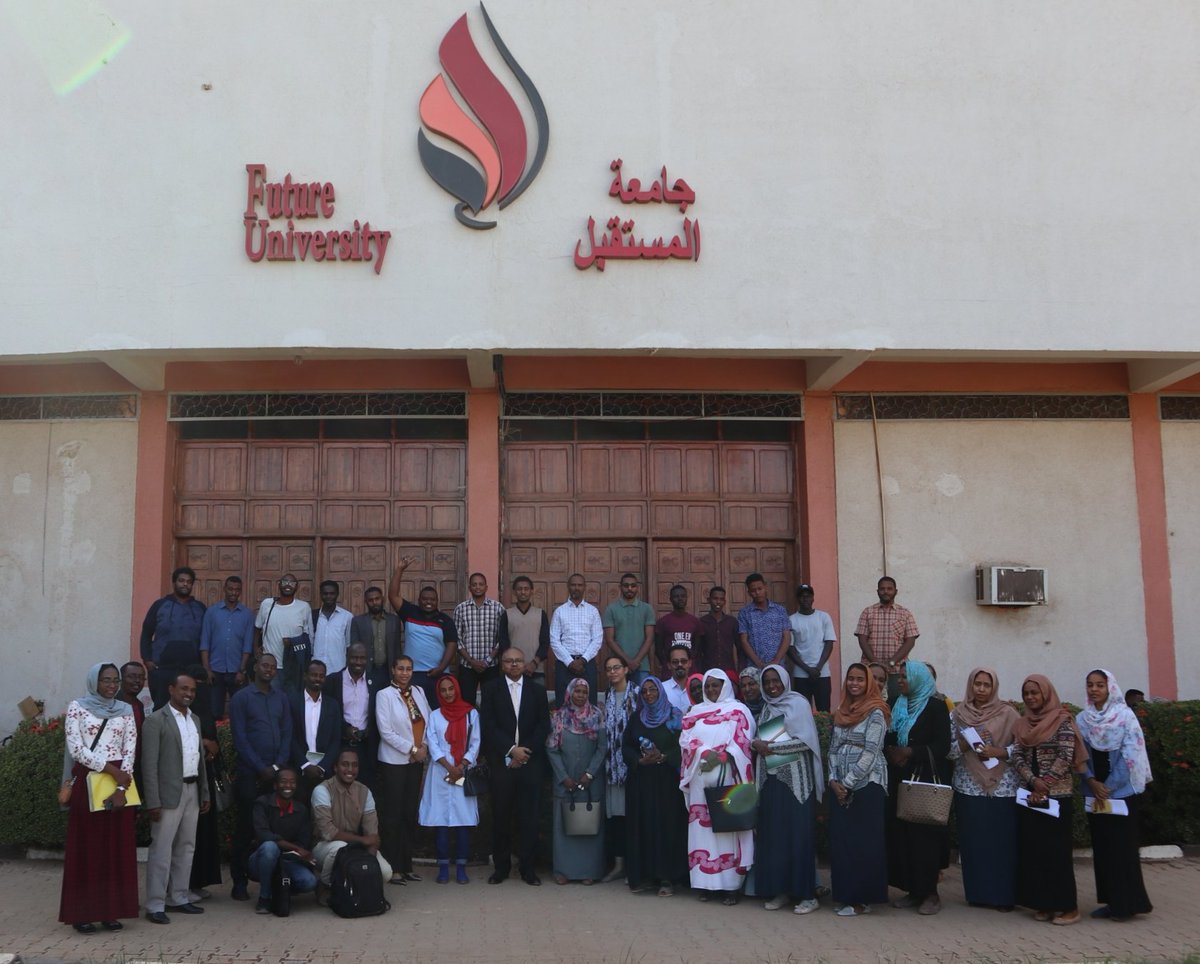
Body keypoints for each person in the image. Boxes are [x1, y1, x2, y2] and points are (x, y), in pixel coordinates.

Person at [58, 663, 139, 933]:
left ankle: (110, 911)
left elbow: (130, 749)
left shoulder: (125, 710)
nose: (112, 685)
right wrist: (112, 771)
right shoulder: (77, 707)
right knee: (88, 849)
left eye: (115, 680)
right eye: (106, 680)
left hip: (118, 788)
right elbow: (77, 749)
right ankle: (83, 913)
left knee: (115, 851)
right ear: (95, 681)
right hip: (90, 781)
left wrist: (120, 788)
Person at [1010, 674, 1087, 926]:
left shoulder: (1062, 720)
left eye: (1035, 693)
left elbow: (1066, 755)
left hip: (1057, 796)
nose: (1031, 698)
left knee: (1057, 853)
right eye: (1026, 694)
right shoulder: (1022, 724)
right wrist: (1033, 780)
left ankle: (1068, 907)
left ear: (1046, 693)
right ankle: (1043, 903)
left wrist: (1046, 782)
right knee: (1034, 851)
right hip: (1029, 793)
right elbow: (1017, 756)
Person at [1077, 669, 1153, 921]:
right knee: (1103, 848)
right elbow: (1080, 755)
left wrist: (1107, 787)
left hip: (1121, 792)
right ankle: (1111, 901)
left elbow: (1131, 756)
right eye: (1090, 685)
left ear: (1110, 687)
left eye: (1100, 684)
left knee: (1123, 848)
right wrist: (1091, 781)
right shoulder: (1083, 719)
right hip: (1095, 792)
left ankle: (1128, 904)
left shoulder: (1124, 717)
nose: (1094, 689)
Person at [679, 668, 756, 905]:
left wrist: (725, 755)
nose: (712, 690)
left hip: (728, 780)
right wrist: (704, 752)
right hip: (701, 782)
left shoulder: (738, 710)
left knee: (728, 832)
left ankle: (731, 887)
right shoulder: (696, 712)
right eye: (708, 686)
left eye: (716, 685)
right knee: (703, 834)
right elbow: (685, 740)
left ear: (725, 686)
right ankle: (706, 885)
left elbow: (744, 741)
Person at [750, 664, 823, 915]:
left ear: (785, 681)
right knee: (775, 839)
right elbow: (756, 739)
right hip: (771, 782)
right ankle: (780, 890)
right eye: (767, 682)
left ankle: (806, 895)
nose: (772, 686)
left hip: (796, 785)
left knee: (798, 839)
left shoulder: (798, 704)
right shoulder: (768, 707)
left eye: (776, 681)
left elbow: (805, 742)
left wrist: (769, 748)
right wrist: (756, 743)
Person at [949, 667, 1021, 911]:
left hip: (1002, 787)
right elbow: (948, 751)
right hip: (968, 786)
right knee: (974, 843)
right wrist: (965, 743)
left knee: (1001, 843)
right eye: (977, 684)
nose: (981, 689)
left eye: (986, 685)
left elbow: (1021, 748)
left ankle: (1003, 897)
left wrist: (997, 752)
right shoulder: (958, 714)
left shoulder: (1009, 713)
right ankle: (978, 894)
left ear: (994, 687)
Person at [141, 672, 210, 924]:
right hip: (168, 793)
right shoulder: (156, 721)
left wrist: (204, 792)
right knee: (161, 849)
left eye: (192, 690)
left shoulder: (196, 720)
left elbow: (200, 759)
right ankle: (155, 903)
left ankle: (179, 896)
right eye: (183, 689)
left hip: (192, 790)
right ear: (171, 689)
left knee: (186, 847)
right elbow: (149, 766)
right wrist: (153, 801)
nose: (188, 694)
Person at [883, 660, 951, 916]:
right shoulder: (894, 704)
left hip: (924, 780)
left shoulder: (936, 707)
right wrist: (893, 751)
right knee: (903, 837)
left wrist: (910, 752)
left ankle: (930, 893)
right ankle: (912, 891)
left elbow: (942, 746)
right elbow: (887, 736)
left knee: (925, 840)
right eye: (899, 676)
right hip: (900, 779)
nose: (900, 681)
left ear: (919, 679)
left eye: (905, 677)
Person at [480, 648, 552, 885]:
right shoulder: (490, 689)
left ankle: (528, 869)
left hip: (530, 762)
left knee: (529, 818)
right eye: (509, 661)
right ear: (502, 665)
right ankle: (501, 867)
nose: (514, 664)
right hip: (502, 763)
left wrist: (524, 753)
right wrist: (511, 750)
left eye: (518, 661)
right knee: (501, 816)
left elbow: (543, 726)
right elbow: (488, 726)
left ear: (524, 664)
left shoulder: (538, 691)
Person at [827, 662, 890, 917]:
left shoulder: (876, 712)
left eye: (860, 680)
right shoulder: (842, 711)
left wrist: (848, 783)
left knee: (864, 843)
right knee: (843, 843)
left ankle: (863, 900)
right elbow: (832, 748)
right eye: (850, 679)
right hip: (840, 785)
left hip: (867, 785)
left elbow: (871, 751)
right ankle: (845, 895)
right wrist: (833, 780)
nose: (854, 683)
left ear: (869, 684)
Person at [228, 652, 292, 901]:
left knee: (274, 830)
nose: (269, 670)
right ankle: (239, 882)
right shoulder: (241, 698)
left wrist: (277, 767)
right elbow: (240, 738)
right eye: (265, 665)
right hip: (249, 775)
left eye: (273, 667)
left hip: (275, 777)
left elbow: (287, 732)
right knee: (245, 828)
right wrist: (259, 767)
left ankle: (274, 881)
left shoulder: (281, 698)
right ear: (255, 668)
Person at [622, 677, 687, 896]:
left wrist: (664, 756)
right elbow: (626, 746)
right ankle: (645, 875)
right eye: (645, 691)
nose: (649, 695)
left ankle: (667, 878)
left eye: (653, 690)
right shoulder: (636, 718)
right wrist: (639, 761)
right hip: (641, 782)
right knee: (643, 827)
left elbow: (684, 745)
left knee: (666, 827)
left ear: (661, 692)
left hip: (667, 783)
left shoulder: (674, 716)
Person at [375, 655, 432, 885]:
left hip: (415, 763)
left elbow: (428, 722)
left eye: (409, 669)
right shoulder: (384, 695)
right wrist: (411, 748)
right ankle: (393, 867)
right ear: (392, 670)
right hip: (394, 762)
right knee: (392, 815)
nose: (405, 673)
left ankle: (407, 865)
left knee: (409, 813)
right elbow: (386, 731)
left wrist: (425, 745)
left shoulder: (418, 692)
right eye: (401, 669)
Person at [419, 674, 480, 884]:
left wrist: (461, 765)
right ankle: (443, 867)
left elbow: (475, 743)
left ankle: (461, 867)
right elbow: (432, 744)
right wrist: (449, 767)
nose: (448, 693)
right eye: (443, 690)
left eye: (451, 689)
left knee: (463, 821)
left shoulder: (471, 714)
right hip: (440, 772)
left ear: (457, 689)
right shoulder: (434, 716)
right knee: (441, 821)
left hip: (462, 771)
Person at [547, 678, 607, 885]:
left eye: (584, 692)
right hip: (566, 779)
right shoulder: (559, 717)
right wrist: (564, 777)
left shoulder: (597, 715)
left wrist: (589, 774)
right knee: (562, 825)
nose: (581, 695)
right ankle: (563, 871)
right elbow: (552, 749)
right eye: (577, 691)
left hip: (590, 780)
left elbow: (602, 748)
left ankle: (589, 871)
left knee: (590, 824)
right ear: (570, 692)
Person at [311, 749, 392, 890]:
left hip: (354, 846)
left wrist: (368, 862)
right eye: (345, 764)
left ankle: (356, 889)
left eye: (355, 765)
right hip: (324, 847)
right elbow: (328, 833)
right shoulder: (322, 790)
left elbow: (372, 833)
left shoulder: (365, 792)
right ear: (335, 767)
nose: (350, 769)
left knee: (385, 873)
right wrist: (362, 840)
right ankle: (324, 887)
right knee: (339, 848)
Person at [249, 768, 319, 915]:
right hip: (261, 860)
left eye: (292, 782)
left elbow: (303, 842)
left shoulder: (301, 810)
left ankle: (282, 890)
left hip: (289, 860)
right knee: (270, 847)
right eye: (283, 782)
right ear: (275, 785)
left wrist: (298, 851)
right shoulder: (262, 804)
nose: (288, 786)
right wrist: (295, 848)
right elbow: (263, 835)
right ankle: (264, 897)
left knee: (309, 882)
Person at [388, 557, 458, 704]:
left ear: (437, 601)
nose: (428, 602)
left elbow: (452, 645)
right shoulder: (409, 612)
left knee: (438, 711)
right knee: (414, 713)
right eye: (425, 599)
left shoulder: (445, 620)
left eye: (432, 599)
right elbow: (393, 596)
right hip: (412, 674)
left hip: (437, 674)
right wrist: (399, 570)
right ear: (419, 600)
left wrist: (441, 668)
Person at [140, 566, 207, 709]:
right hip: (162, 668)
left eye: (189, 582)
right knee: (161, 709)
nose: (185, 584)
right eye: (181, 581)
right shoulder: (160, 605)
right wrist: (148, 661)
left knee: (191, 710)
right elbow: (146, 633)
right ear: (174, 582)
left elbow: (207, 638)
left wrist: (204, 667)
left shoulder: (200, 608)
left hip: (191, 669)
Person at [186, 663, 223, 900]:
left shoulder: (204, 708)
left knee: (203, 834)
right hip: (186, 779)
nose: (195, 692)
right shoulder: (172, 713)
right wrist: (203, 744)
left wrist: (213, 748)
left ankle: (196, 882)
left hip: (205, 777)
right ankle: (181, 886)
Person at [600, 656, 639, 883]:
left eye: (616, 668)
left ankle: (633, 865)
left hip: (631, 766)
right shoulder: (607, 695)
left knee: (631, 816)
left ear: (625, 669)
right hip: (611, 767)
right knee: (616, 817)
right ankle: (618, 864)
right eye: (608, 669)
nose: (612, 672)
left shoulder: (636, 694)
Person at [323, 642, 380, 789]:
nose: (358, 662)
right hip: (340, 745)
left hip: (366, 748)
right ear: (347, 657)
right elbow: (327, 715)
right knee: (338, 789)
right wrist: (345, 729)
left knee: (364, 789)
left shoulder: (376, 683)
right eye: (354, 658)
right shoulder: (332, 681)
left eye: (362, 658)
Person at [854, 576, 919, 704]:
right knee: (869, 704)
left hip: (897, 671)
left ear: (896, 591)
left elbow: (910, 641)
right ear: (877, 591)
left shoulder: (905, 613)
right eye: (882, 589)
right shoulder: (868, 612)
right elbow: (862, 639)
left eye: (889, 589)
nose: (886, 591)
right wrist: (876, 664)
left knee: (896, 705)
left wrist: (892, 662)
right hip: (871, 671)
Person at [199, 575, 254, 719]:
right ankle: (214, 741)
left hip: (237, 671)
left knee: (240, 712)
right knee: (214, 712)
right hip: (215, 671)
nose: (233, 592)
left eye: (237, 590)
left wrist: (242, 670)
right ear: (224, 589)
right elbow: (205, 642)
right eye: (230, 589)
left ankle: (237, 742)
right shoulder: (211, 612)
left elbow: (247, 646)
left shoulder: (247, 614)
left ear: (240, 591)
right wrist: (207, 669)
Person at [289, 659, 342, 802]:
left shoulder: (333, 705)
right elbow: (290, 736)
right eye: (314, 675)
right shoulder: (292, 702)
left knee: (323, 813)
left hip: (324, 772)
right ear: (305, 676)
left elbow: (336, 740)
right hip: (299, 769)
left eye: (321, 675)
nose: (317, 679)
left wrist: (323, 767)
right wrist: (305, 764)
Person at [254, 573, 313, 695]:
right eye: (285, 582)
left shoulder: (304, 607)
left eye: (292, 583)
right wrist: (255, 648)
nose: (288, 585)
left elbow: (308, 638)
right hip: (270, 667)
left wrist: (292, 642)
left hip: (293, 667)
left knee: (291, 703)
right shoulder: (267, 604)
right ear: (279, 585)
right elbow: (257, 628)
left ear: (296, 587)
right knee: (270, 701)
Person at [549, 573, 603, 707]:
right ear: (568, 587)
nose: (576, 588)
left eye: (580, 585)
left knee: (589, 703)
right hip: (565, 664)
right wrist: (569, 662)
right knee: (563, 702)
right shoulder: (560, 611)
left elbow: (597, 639)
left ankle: (589, 728)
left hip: (587, 663)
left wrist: (583, 660)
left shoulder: (593, 611)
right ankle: (564, 728)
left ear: (584, 587)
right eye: (573, 585)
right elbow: (554, 640)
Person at [452, 572, 506, 705]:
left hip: (491, 666)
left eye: (481, 584)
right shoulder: (460, 609)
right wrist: (471, 661)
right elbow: (457, 638)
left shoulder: (498, 608)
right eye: (474, 584)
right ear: (469, 588)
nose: (477, 587)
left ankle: (487, 727)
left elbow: (503, 637)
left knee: (492, 702)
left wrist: (487, 660)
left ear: (486, 587)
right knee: (466, 702)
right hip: (467, 666)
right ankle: (469, 726)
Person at [787, 584, 836, 711]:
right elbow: (790, 649)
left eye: (808, 596)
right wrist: (807, 669)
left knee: (824, 711)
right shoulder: (791, 620)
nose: (805, 599)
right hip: (801, 674)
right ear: (797, 599)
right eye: (802, 596)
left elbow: (829, 643)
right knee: (803, 711)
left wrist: (818, 667)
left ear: (813, 598)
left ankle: (823, 732)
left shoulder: (824, 617)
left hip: (822, 673)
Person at [495, 574, 551, 683]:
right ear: (514, 592)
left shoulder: (540, 614)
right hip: (512, 670)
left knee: (537, 699)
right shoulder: (507, 614)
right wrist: (512, 663)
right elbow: (503, 642)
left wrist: (534, 663)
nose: (523, 592)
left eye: (526, 589)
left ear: (532, 591)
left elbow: (545, 642)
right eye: (519, 589)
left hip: (536, 669)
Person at [602, 572, 656, 683]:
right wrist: (626, 661)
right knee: (619, 699)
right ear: (620, 587)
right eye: (626, 586)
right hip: (617, 667)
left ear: (637, 588)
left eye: (633, 585)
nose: (629, 588)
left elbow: (649, 638)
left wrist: (636, 661)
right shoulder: (611, 609)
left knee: (642, 698)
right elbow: (609, 640)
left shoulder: (647, 609)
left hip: (641, 666)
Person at [736, 573, 791, 671]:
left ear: (765, 587)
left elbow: (787, 637)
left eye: (760, 589)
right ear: (749, 592)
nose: (757, 593)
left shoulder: (780, 610)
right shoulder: (744, 613)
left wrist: (776, 660)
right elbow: (744, 641)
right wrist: (759, 663)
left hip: (778, 666)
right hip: (754, 667)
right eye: (753, 591)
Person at [349, 585, 402, 684]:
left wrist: (398, 670)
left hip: (389, 670)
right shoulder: (358, 621)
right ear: (366, 602)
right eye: (370, 600)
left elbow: (397, 648)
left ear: (383, 599)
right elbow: (354, 648)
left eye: (377, 599)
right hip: (367, 670)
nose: (374, 603)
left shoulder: (394, 620)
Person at [654, 585, 705, 679]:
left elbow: (697, 649)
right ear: (670, 599)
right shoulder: (663, 622)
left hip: (690, 672)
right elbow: (658, 649)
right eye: (676, 596)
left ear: (686, 598)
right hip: (670, 672)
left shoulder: (695, 622)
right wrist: (667, 664)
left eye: (683, 596)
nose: (680, 599)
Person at [311, 580, 352, 676]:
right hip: (316, 671)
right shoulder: (312, 616)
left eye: (332, 593)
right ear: (321, 594)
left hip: (338, 670)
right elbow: (310, 643)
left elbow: (348, 646)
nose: (328, 596)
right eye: (325, 594)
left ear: (337, 594)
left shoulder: (347, 617)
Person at [697, 586, 739, 675]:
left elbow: (739, 648)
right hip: (708, 670)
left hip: (728, 671)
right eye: (715, 598)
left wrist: (740, 669)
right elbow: (697, 651)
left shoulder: (732, 622)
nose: (718, 602)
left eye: (721, 599)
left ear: (725, 602)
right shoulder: (702, 622)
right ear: (709, 600)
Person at [661, 645, 693, 714]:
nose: (680, 665)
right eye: (675, 662)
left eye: (683, 661)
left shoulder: (698, 688)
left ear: (690, 663)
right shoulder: (661, 689)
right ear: (669, 665)